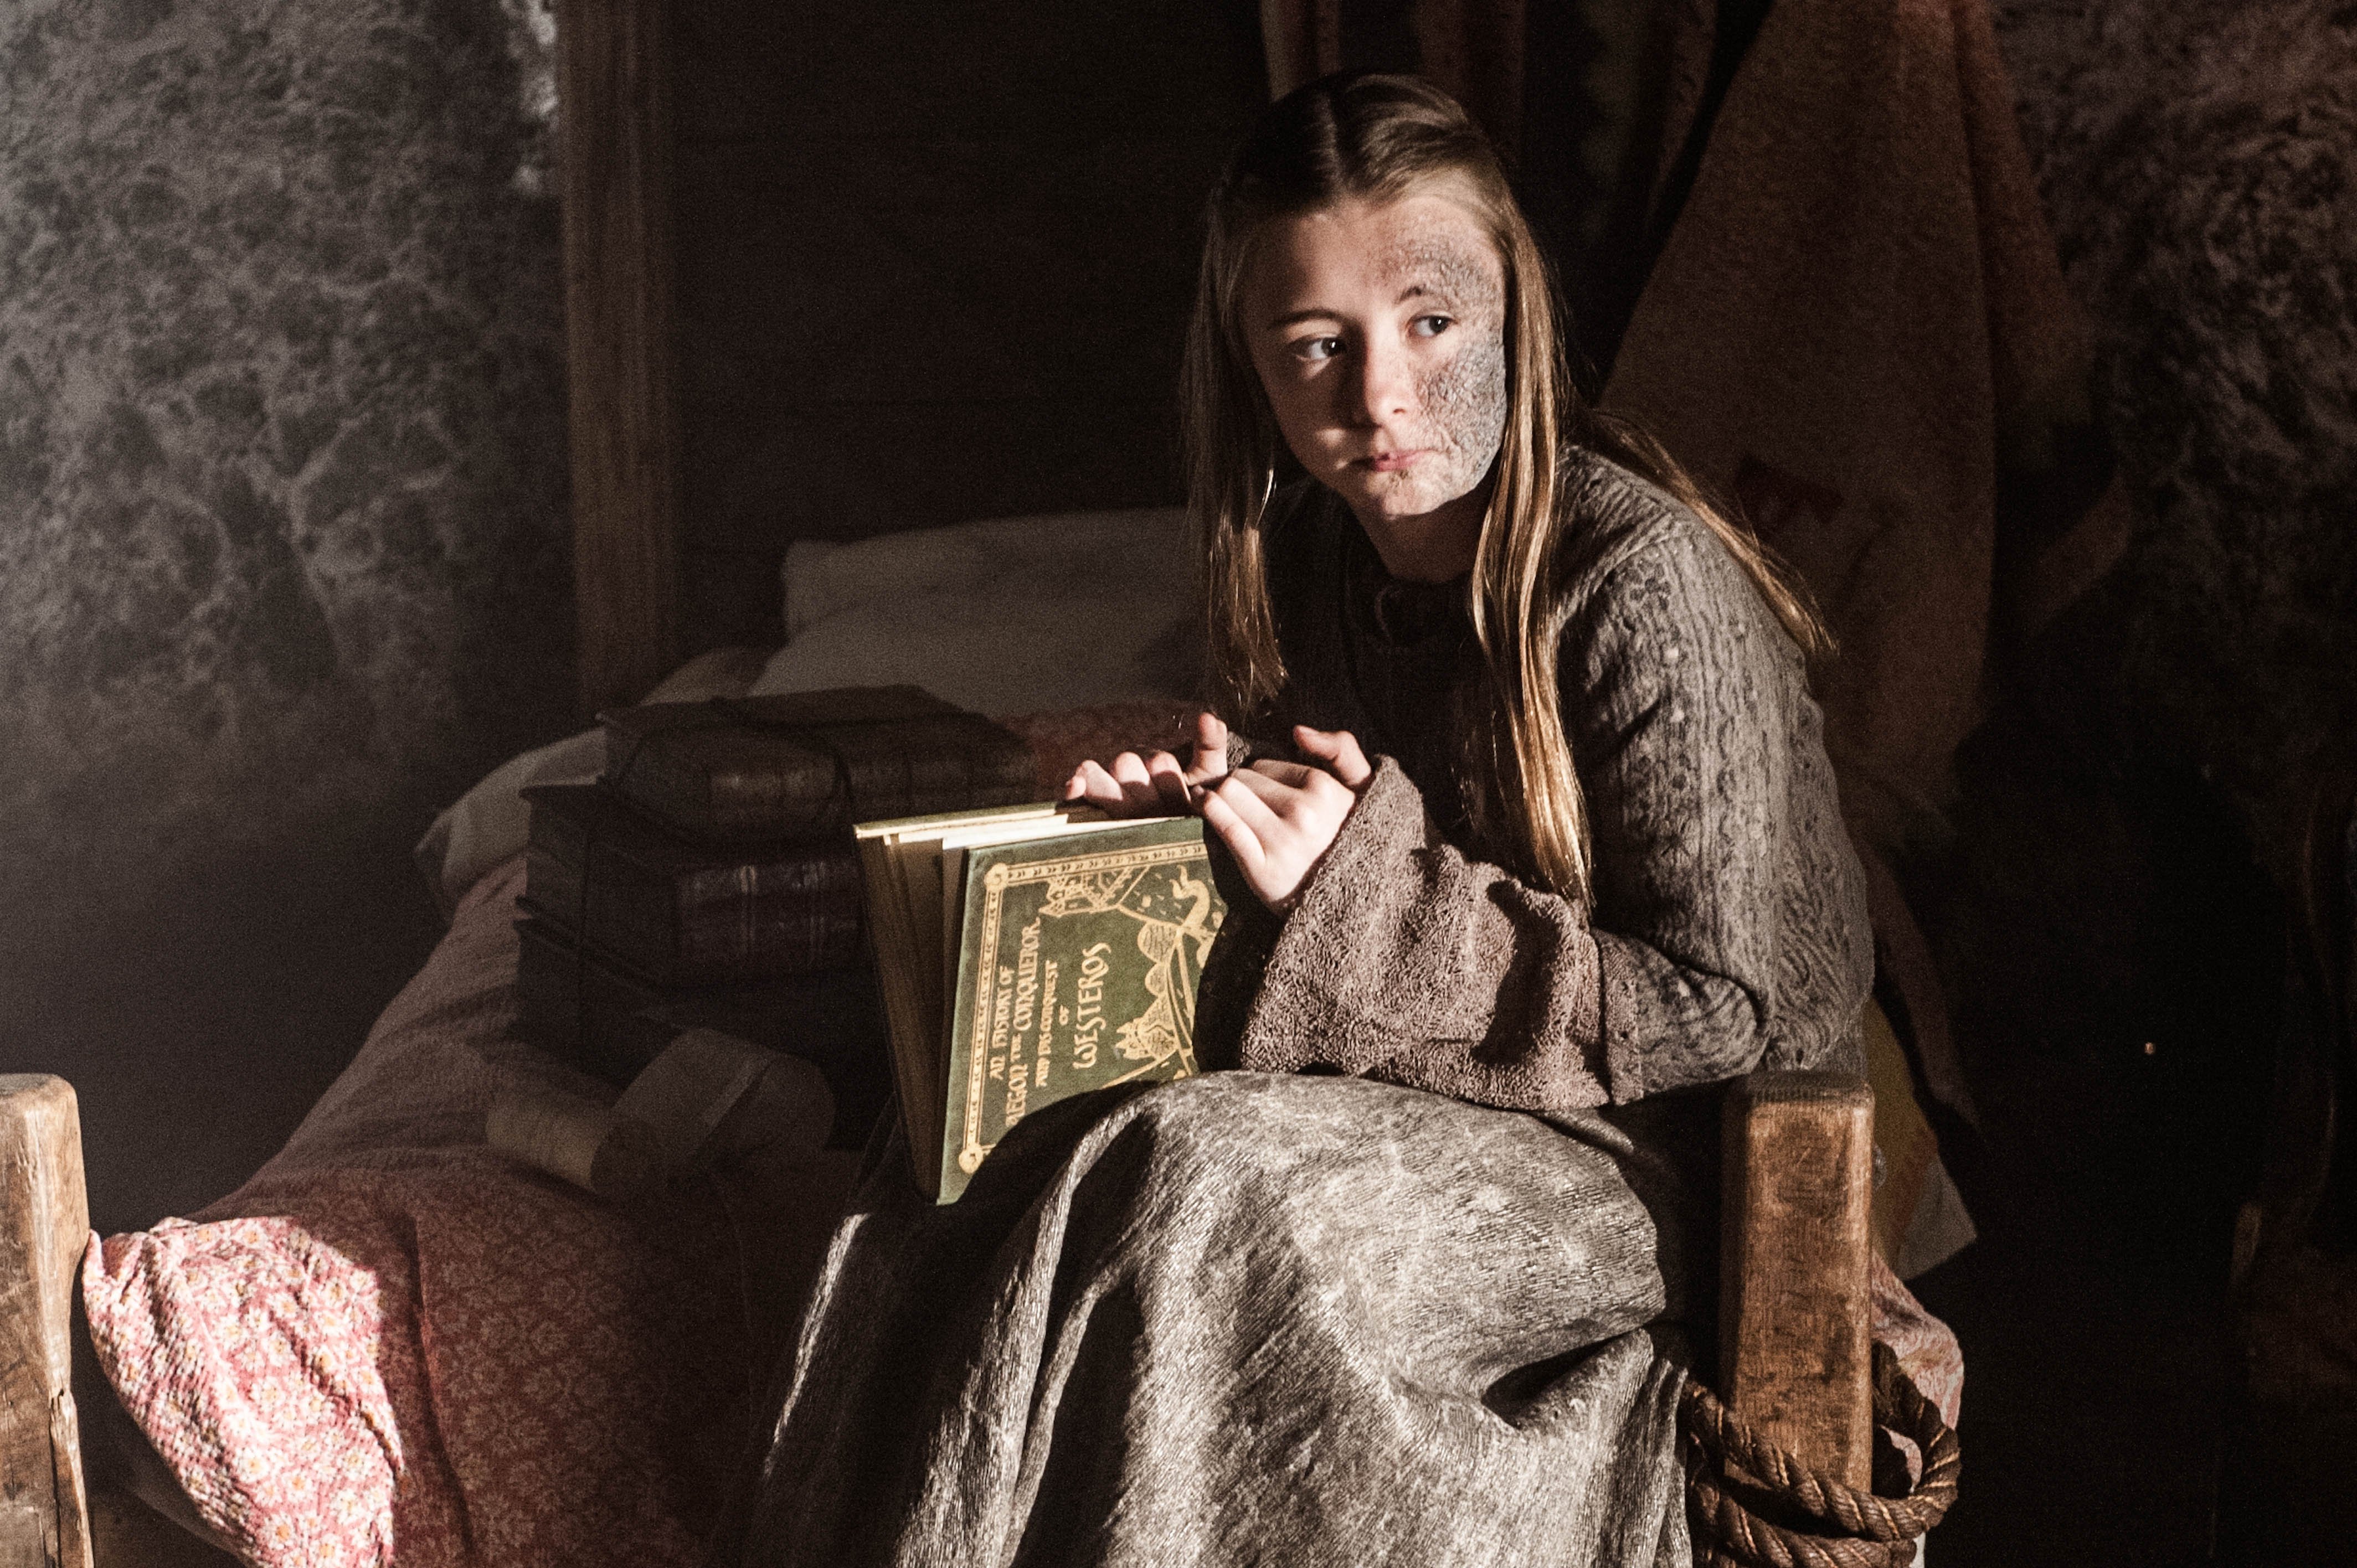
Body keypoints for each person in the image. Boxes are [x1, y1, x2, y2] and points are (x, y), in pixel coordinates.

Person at [729, 74, 1871, 1568]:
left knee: (1199, 1185)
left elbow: (1741, 1007)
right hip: (1426, 1104)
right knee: (993, 1142)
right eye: (1315, 347)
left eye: (1431, 324)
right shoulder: (1313, 574)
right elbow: (1324, 934)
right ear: (1253, 372)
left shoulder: (1634, 586)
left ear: (1514, 312)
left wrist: (1365, 889)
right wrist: (1185, 860)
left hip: (1651, 1169)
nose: (1379, 397)